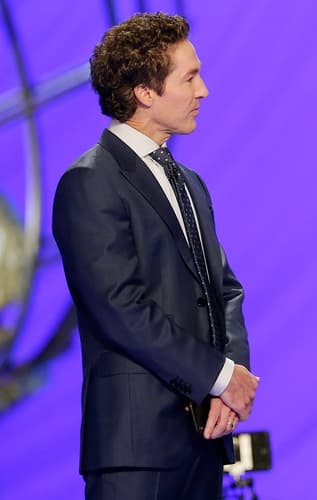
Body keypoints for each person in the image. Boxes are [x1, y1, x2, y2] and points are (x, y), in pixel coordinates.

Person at [52, 13, 259, 499]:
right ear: (146, 92)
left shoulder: (191, 184)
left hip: (204, 438)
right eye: (189, 77)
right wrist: (221, 375)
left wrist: (229, 382)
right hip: (136, 448)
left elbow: (223, 288)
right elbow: (119, 307)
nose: (203, 90)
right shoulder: (90, 182)